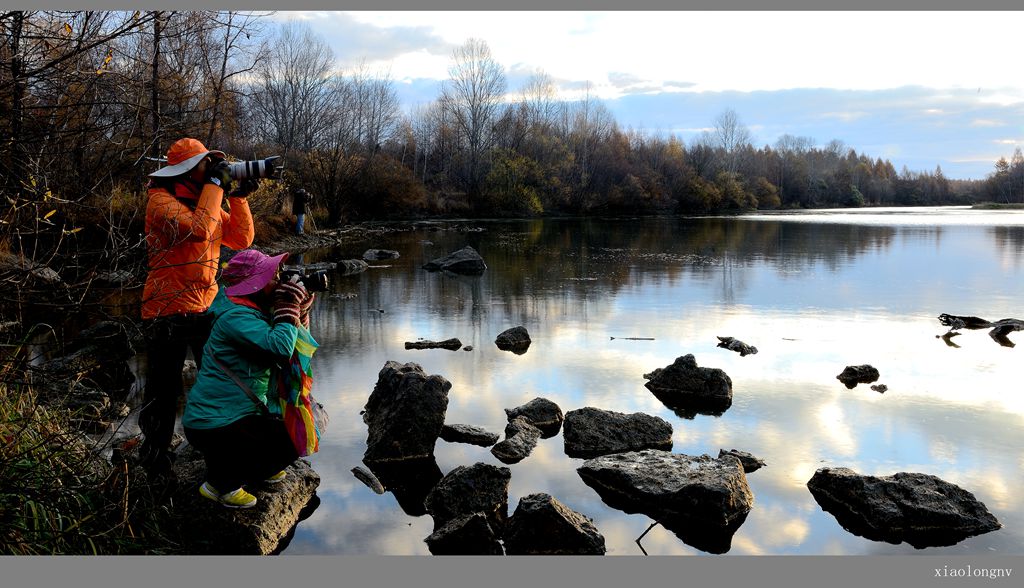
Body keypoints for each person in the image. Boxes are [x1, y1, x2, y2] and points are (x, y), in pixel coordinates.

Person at [138, 137, 257, 479]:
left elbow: (239, 240)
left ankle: (219, 451)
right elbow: (199, 230)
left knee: (219, 380)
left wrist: (239, 198)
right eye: (207, 165)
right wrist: (217, 185)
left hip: (204, 306)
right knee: (164, 389)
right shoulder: (159, 202)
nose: (212, 171)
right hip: (166, 309)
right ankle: (155, 458)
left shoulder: (202, 199)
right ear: (188, 170)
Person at [182, 249, 314, 508]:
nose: (278, 281)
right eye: (273, 276)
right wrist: (288, 307)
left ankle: (253, 467)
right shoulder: (235, 317)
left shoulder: (251, 311)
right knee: (295, 436)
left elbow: (297, 351)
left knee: (299, 422)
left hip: (234, 415)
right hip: (214, 423)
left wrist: (299, 311)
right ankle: (221, 486)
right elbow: (280, 348)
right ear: (254, 284)